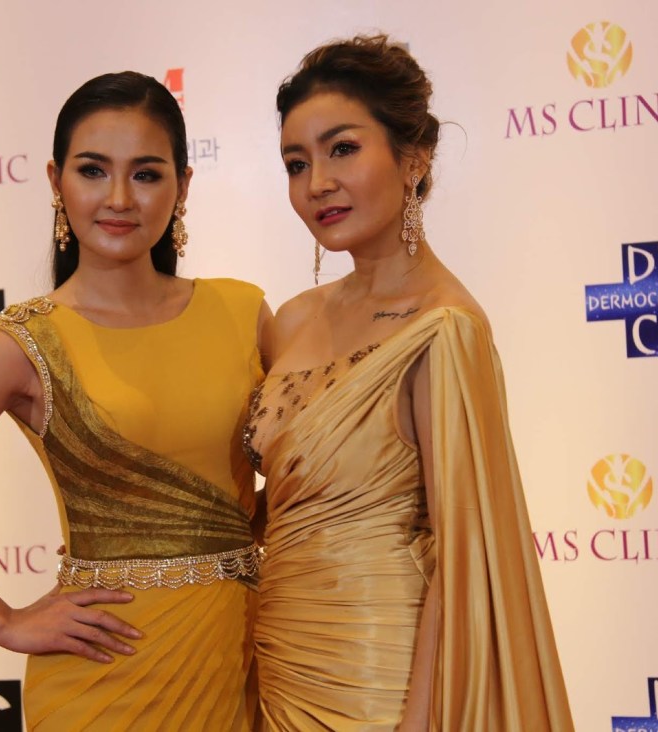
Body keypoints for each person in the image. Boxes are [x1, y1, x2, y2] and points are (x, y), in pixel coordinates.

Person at [0, 71, 270, 731]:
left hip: (238, 658)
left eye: (146, 174)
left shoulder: (242, 312)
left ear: (184, 186)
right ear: (56, 181)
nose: (118, 198)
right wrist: (2, 620)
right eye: (92, 170)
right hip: (104, 680)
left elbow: (304, 480)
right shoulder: (24, 341)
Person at [244, 36, 574, 731]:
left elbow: (465, 562)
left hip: (378, 685)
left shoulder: (443, 328)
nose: (316, 183)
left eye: (342, 149)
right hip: (273, 666)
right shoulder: (292, 320)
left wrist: (419, 722)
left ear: (414, 156)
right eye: (296, 163)